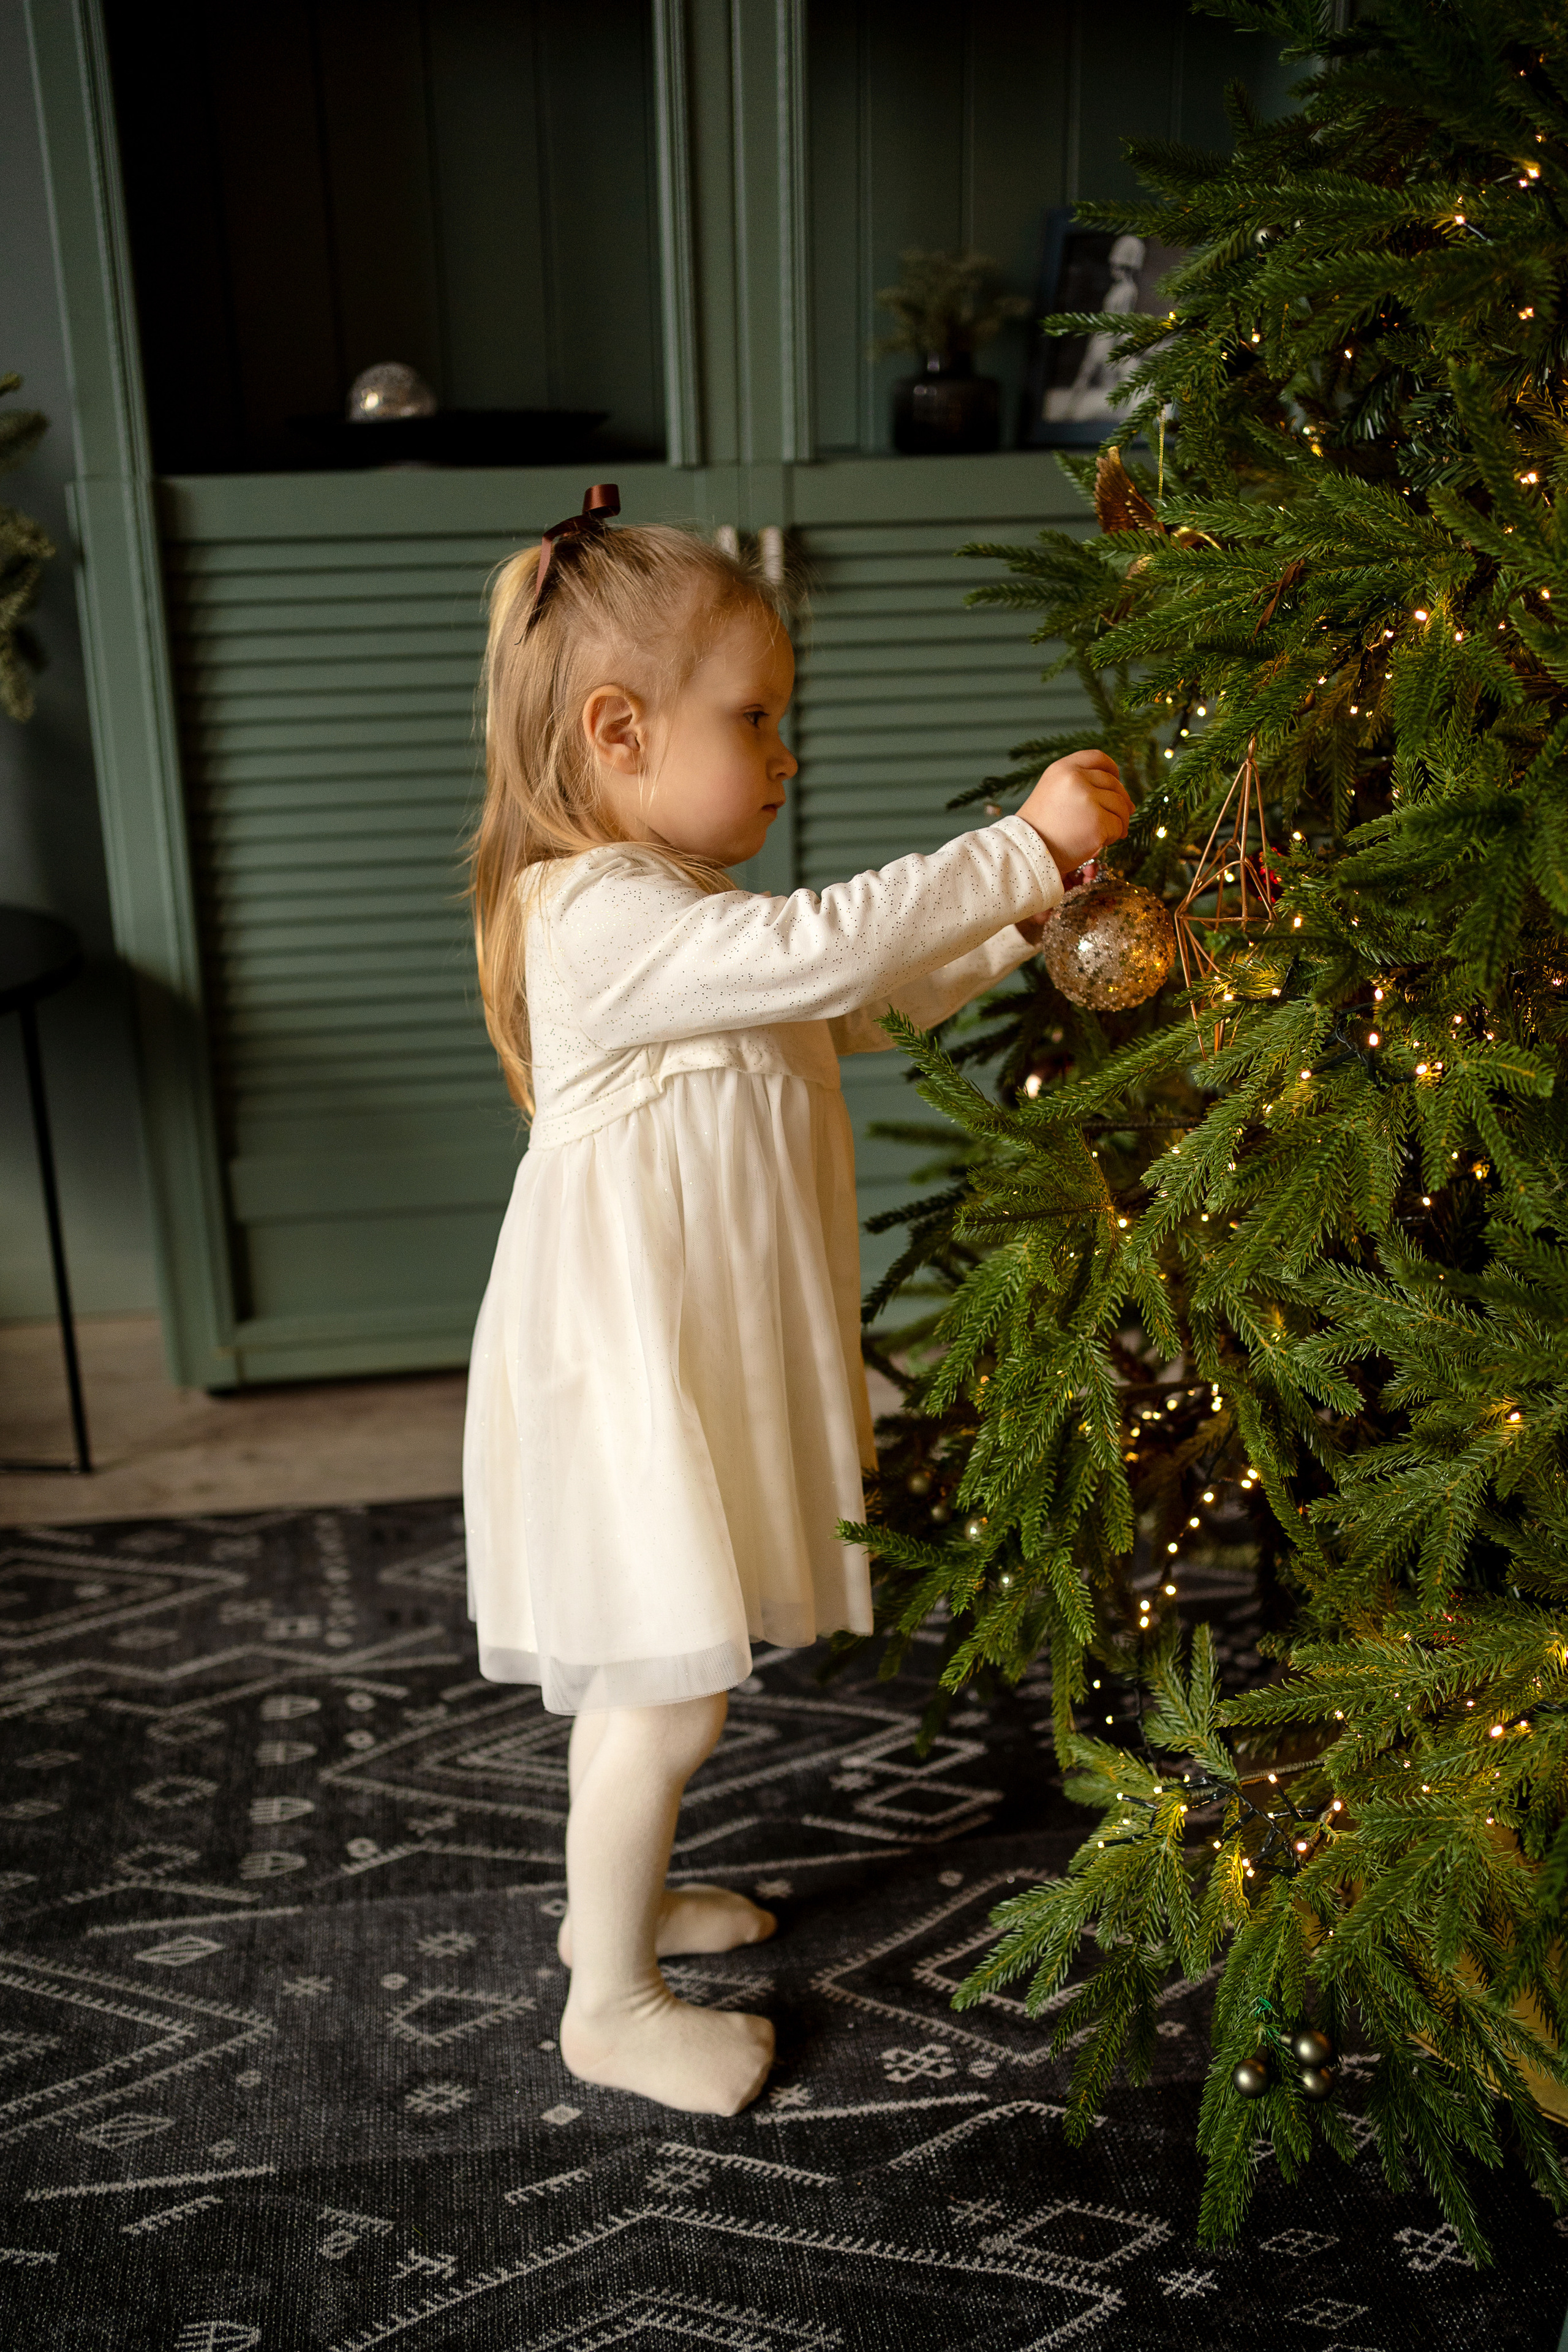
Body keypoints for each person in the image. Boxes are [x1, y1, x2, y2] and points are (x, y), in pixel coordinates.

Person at [463, 488, 1132, 2118]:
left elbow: (836, 1008)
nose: (780, 756)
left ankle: (608, 1907)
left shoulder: (682, 921)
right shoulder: (602, 916)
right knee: (666, 1692)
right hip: (629, 1375)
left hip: (684, 1354)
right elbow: (824, 953)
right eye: (752, 719)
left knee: (657, 1684)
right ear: (619, 732)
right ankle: (609, 2000)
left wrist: (1015, 925)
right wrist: (1016, 848)